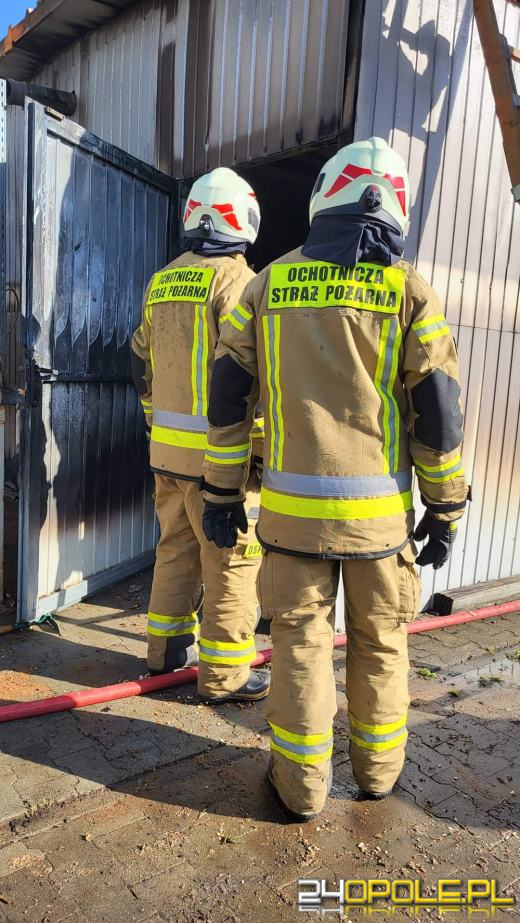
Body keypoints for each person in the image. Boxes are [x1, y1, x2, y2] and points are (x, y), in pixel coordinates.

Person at [201, 138, 469, 819]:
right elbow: (437, 414)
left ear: (326, 195)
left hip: (292, 521)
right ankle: (377, 775)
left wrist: (221, 491)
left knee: (298, 642)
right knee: (381, 642)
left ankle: (299, 789)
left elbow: (228, 393)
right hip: (380, 526)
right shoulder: (409, 291)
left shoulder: (265, 285)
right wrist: (445, 510)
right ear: (394, 207)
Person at [131, 167, 269, 703]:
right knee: (231, 563)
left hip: (165, 453)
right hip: (218, 462)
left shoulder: (162, 279)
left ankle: (164, 655)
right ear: (244, 218)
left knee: (174, 551)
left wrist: (152, 418)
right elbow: (242, 374)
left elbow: (137, 358)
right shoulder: (236, 280)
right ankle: (226, 677)